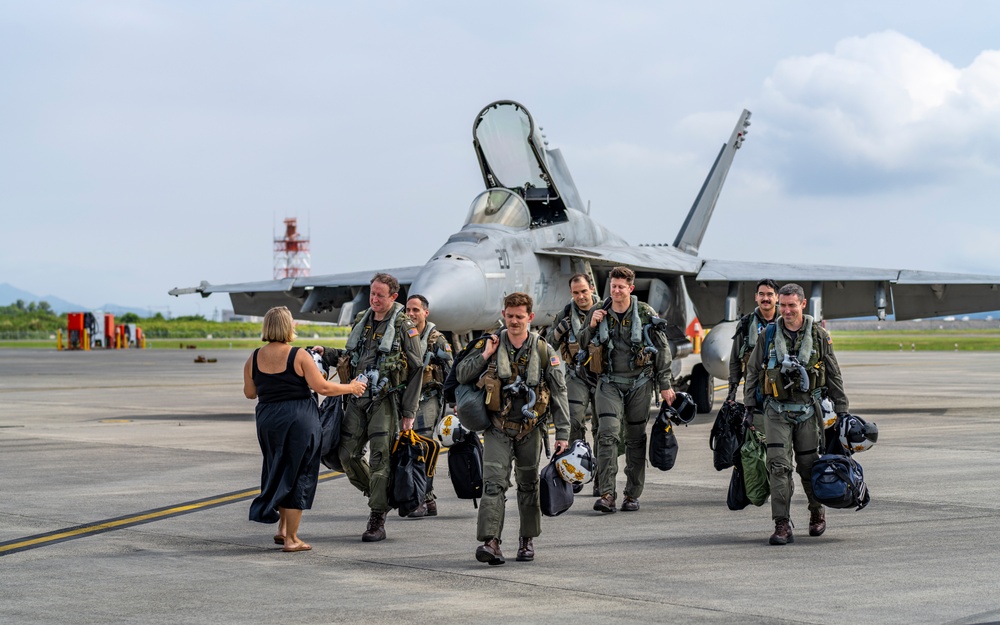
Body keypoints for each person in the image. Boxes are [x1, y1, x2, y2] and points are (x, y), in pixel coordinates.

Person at [455, 292, 570, 565]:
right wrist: (485, 354)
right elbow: (461, 374)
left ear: (530, 317)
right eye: (510, 316)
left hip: (531, 430)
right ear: (503, 315)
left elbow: (559, 393)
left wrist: (563, 435)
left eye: (520, 316)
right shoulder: (490, 344)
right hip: (497, 428)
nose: (515, 321)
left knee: (528, 485)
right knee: (493, 484)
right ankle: (490, 541)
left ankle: (527, 540)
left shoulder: (543, 351)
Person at [242, 306, 367, 553]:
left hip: (268, 419)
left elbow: (250, 393)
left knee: (277, 467)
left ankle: (281, 530)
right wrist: (351, 388)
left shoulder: (254, 357)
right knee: (300, 473)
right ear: (288, 327)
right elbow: (322, 387)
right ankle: (292, 539)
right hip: (298, 418)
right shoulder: (299, 356)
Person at [744, 283, 849, 545]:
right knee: (778, 467)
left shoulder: (820, 336)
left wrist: (843, 410)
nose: (787, 310)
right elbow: (754, 371)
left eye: (792, 305)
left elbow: (834, 375)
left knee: (809, 467)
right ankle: (781, 524)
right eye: (783, 304)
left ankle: (816, 512)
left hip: (807, 412)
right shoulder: (768, 334)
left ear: (803, 304)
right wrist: (748, 408)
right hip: (776, 412)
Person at [332, 273, 425, 542]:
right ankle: (380, 495)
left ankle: (377, 519)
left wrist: (409, 413)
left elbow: (417, 368)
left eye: (380, 295)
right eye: (372, 293)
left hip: (385, 403)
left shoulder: (404, 325)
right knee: (346, 455)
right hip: (356, 398)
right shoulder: (363, 320)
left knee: (380, 459)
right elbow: (349, 356)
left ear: (394, 297)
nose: (374, 298)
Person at [579, 266, 676, 514]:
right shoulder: (598, 310)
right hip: (609, 382)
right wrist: (591, 325)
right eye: (613, 286)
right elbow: (581, 341)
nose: (617, 290)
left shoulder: (645, 313)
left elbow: (663, 350)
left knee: (635, 439)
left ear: (630, 288)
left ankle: (632, 494)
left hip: (639, 383)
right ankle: (607, 494)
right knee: (608, 435)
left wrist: (665, 384)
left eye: (621, 286)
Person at [546, 272, 602, 495]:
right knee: (574, 423)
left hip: (602, 376)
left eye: (584, 291)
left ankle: (602, 480)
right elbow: (548, 344)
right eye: (576, 292)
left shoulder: (605, 309)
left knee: (603, 430)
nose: (580, 296)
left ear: (591, 289)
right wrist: (560, 330)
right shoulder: (566, 314)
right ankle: (576, 471)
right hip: (576, 374)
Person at [403, 293, 454, 518]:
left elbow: (452, 370)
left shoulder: (437, 340)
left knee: (423, 449)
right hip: (406, 401)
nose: (412, 314)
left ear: (426, 312)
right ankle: (428, 499)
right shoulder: (402, 335)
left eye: (416, 310)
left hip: (428, 399)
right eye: (409, 310)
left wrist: (455, 401)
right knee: (407, 449)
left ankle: (422, 499)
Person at [727, 279, 779, 404]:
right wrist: (732, 391)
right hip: (754, 390)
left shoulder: (786, 322)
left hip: (781, 389)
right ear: (756, 297)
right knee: (755, 423)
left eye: (770, 294)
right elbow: (735, 359)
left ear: (777, 297)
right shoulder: (746, 324)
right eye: (761, 294)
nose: (765, 298)